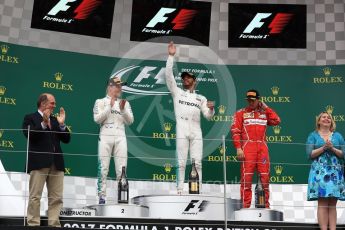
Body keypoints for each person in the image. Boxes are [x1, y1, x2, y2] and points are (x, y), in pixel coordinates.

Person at [166, 42, 215, 194]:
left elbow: (207, 116)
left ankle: (196, 190)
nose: (185, 79)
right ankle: (180, 189)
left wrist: (212, 109)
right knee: (180, 162)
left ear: (195, 80)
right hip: (181, 128)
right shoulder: (177, 92)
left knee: (197, 163)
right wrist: (171, 56)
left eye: (188, 78)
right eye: (184, 78)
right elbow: (168, 76)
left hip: (196, 131)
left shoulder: (201, 98)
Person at [22, 93, 71, 227]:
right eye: (52, 103)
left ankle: (54, 224)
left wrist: (62, 125)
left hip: (56, 164)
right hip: (39, 163)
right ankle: (33, 224)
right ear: (43, 104)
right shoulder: (30, 118)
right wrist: (43, 123)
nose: (54, 106)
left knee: (56, 198)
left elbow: (67, 139)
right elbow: (29, 135)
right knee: (35, 196)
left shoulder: (55, 120)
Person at [231, 89, 280, 208]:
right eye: (248, 100)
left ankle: (265, 206)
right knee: (246, 178)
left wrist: (266, 107)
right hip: (248, 148)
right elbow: (235, 131)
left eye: (253, 100)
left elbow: (277, 120)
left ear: (259, 100)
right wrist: (238, 148)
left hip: (262, 148)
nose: (250, 102)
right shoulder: (240, 113)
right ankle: (245, 206)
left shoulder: (264, 113)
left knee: (265, 178)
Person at [93, 76, 134, 204]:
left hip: (121, 136)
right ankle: (101, 196)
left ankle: (121, 196)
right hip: (105, 135)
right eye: (118, 85)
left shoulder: (125, 103)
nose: (120, 88)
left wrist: (122, 110)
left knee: (122, 169)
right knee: (103, 168)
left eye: (121, 85)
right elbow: (97, 119)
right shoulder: (100, 101)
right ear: (110, 87)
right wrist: (109, 107)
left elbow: (130, 121)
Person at [306, 112, 345, 230]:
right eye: (324, 117)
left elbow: (344, 154)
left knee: (333, 204)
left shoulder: (338, 136)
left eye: (329, 118)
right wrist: (324, 147)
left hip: (335, 173)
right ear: (318, 121)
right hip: (319, 174)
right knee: (322, 203)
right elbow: (309, 154)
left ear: (331, 122)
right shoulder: (312, 135)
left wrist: (332, 148)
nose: (326, 119)